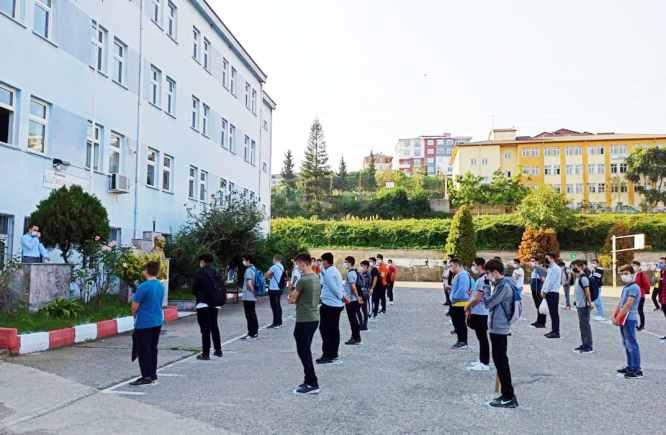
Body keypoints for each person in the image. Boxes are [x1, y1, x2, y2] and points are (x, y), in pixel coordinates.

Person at [483, 259, 518, 408]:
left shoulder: (503, 286)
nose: (487, 276)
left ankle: (508, 396)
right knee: (499, 360)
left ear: (495, 272)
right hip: (497, 327)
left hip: (500, 327)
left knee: (501, 362)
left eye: (488, 273)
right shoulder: (501, 284)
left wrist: (485, 287)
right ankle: (506, 394)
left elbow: (488, 303)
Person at [289, 253, 321, 395]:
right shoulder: (316, 277)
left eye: (297, 264)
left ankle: (312, 383)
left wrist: (291, 291)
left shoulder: (303, 280)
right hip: (313, 317)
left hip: (304, 319)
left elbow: (292, 299)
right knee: (305, 350)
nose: (297, 266)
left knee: (304, 351)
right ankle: (308, 379)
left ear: (303, 263)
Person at [130, 261, 165, 386]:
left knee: (143, 350)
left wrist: (135, 317)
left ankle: (146, 376)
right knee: (152, 349)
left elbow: (134, 306)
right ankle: (153, 374)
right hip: (157, 321)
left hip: (144, 323)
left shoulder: (143, 286)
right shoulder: (160, 286)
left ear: (146, 271)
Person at [614, 265, 642, 379]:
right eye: (622, 274)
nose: (623, 276)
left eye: (625, 273)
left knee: (631, 343)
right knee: (626, 343)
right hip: (623, 318)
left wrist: (619, 317)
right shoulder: (626, 287)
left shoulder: (634, 287)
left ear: (631, 273)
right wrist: (615, 315)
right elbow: (621, 303)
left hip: (629, 318)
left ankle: (636, 369)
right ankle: (630, 365)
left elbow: (629, 304)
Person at [192, 254, 223, 360]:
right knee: (214, 326)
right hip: (215, 303)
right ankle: (218, 350)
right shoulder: (216, 272)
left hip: (203, 304)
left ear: (203, 261)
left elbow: (194, 288)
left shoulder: (200, 272)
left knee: (205, 329)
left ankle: (205, 353)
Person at [317, 252, 345, 364]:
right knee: (333, 330)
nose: (320, 263)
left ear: (326, 261)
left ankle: (327, 354)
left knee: (326, 330)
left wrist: (341, 297)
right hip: (333, 305)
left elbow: (334, 288)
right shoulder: (332, 271)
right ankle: (333, 353)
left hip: (330, 305)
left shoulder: (329, 273)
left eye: (321, 260)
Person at [465, 257, 490, 371]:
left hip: (480, 312)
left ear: (480, 265)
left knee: (482, 338)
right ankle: (482, 360)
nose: (473, 266)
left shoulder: (482, 279)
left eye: (474, 264)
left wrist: (468, 306)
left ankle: (484, 363)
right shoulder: (483, 278)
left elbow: (478, 298)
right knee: (481, 338)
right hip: (481, 311)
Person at [571, 260, 593, 354]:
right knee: (582, 326)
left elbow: (587, 292)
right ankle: (584, 344)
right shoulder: (578, 278)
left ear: (581, 267)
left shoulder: (583, 278)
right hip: (580, 305)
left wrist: (590, 303)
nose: (573, 269)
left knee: (585, 326)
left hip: (584, 305)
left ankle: (588, 346)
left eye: (575, 266)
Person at [449, 258, 471, 350]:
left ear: (457, 265)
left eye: (451, 265)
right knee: (457, 322)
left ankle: (463, 341)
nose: (450, 268)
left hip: (460, 303)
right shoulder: (459, 275)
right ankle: (460, 340)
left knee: (460, 323)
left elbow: (462, 290)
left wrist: (454, 298)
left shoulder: (463, 275)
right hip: (457, 303)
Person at [541, 253, 562, 339]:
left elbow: (551, 282)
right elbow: (547, 281)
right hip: (549, 292)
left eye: (547, 258)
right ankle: (553, 330)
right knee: (552, 313)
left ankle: (556, 332)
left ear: (552, 258)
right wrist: (543, 290)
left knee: (554, 313)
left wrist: (544, 291)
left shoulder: (556, 268)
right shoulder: (550, 268)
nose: (546, 260)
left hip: (553, 292)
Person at [343, 256, 362, 345]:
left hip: (351, 300)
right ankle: (355, 336)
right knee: (353, 319)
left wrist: (357, 297)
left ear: (350, 263)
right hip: (353, 299)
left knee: (353, 319)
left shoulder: (351, 273)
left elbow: (353, 287)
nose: (344, 264)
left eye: (345, 262)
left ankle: (355, 337)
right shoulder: (354, 271)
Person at [240, 255, 259, 340]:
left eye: (244, 260)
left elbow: (249, 283)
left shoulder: (248, 270)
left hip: (248, 295)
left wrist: (253, 292)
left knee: (249, 315)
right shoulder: (254, 269)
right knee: (253, 314)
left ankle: (251, 333)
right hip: (252, 296)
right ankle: (254, 332)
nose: (243, 262)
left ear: (248, 261)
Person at [265, 255, 286, 329]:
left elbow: (266, 275)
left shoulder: (274, 267)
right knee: (278, 306)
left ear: (275, 259)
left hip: (273, 288)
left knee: (274, 306)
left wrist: (269, 276)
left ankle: (276, 323)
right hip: (279, 288)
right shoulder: (281, 266)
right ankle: (279, 322)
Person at [529, 257, 547, 328]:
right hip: (534, 291)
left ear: (537, 262)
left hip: (538, 291)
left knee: (540, 306)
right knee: (538, 306)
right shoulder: (534, 270)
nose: (531, 262)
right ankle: (538, 321)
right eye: (531, 261)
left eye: (533, 261)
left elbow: (544, 280)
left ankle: (542, 322)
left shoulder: (539, 268)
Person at [632, 261, 650, 331]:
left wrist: (643, 291)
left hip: (640, 295)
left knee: (640, 311)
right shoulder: (633, 274)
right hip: (633, 295)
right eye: (632, 265)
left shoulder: (641, 274)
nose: (633, 267)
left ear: (638, 266)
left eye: (634, 266)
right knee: (633, 310)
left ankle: (642, 325)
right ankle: (635, 324)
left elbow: (646, 284)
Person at [358, 260, 372, 330]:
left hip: (364, 293)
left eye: (362, 266)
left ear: (366, 267)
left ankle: (364, 325)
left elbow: (363, 284)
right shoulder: (363, 273)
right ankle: (362, 324)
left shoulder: (367, 274)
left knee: (362, 310)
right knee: (362, 309)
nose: (361, 268)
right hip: (363, 293)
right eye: (361, 266)